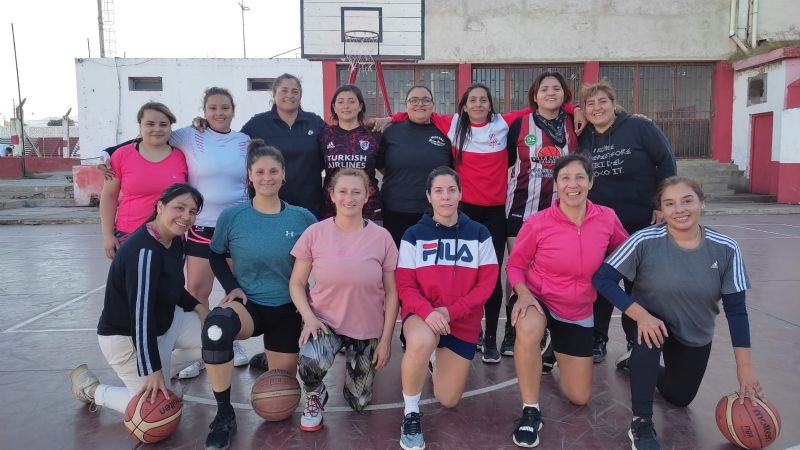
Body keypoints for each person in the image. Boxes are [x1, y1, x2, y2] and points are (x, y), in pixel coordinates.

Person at [386, 83, 584, 363]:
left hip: (494, 213)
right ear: (464, 106)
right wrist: (391, 118)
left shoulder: (503, 124)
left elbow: (540, 106)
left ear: (491, 105)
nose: (478, 104)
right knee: (456, 274)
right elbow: (419, 109)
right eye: (472, 100)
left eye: (483, 100)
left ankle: (491, 336)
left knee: (489, 276)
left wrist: (572, 107)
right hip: (462, 212)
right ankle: (462, 330)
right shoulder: (453, 124)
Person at [592, 176, 763, 450]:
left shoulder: (726, 248)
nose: (679, 209)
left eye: (687, 201)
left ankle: (634, 363)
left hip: (694, 330)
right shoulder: (645, 240)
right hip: (647, 320)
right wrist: (640, 314)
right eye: (669, 203)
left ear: (702, 203)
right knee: (649, 337)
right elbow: (602, 278)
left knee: (680, 396)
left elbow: (737, 312)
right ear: (661, 209)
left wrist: (745, 370)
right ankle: (641, 422)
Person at [97, 89, 252, 377]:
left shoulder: (244, 142)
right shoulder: (189, 135)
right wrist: (106, 153)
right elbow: (152, 134)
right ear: (203, 110)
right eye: (212, 107)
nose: (219, 112)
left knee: (234, 288)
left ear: (233, 109)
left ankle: (228, 340)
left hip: (235, 227)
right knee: (196, 290)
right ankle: (201, 351)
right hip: (199, 226)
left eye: (225, 107)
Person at [506, 154, 628, 448]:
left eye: (579, 178)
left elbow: (627, 253)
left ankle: (551, 349)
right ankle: (530, 409)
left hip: (578, 308)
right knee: (528, 328)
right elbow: (514, 265)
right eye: (565, 178)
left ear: (591, 182)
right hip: (539, 297)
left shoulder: (607, 218)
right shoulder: (538, 222)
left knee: (579, 396)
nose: (572, 184)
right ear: (556, 184)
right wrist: (522, 293)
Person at [201, 140, 316, 450]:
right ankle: (224, 413)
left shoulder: (302, 218)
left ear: (284, 175)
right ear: (249, 176)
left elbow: (326, 254)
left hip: (287, 309)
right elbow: (215, 255)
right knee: (214, 331)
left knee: (279, 401)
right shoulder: (233, 216)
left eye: (274, 171)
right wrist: (231, 287)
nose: (267, 177)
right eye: (260, 171)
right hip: (249, 306)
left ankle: (270, 357)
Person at [70, 184, 209, 415]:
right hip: (127, 339)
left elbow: (173, 287)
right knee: (152, 411)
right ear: (160, 206)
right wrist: (153, 370)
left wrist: (200, 309)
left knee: (218, 337)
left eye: (192, 211)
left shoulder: (176, 240)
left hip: (165, 324)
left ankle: (163, 371)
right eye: (180, 208)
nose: (186, 216)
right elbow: (141, 317)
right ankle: (92, 389)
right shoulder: (144, 252)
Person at [396, 166, 499, 450]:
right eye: (438, 191)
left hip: (461, 320)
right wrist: (429, 312)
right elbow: (405, 286)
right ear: (429, 196)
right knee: (421, 341)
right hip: (423, 315)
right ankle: (411, 414)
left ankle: (434, 361)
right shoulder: (413, 235)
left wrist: (450, 312)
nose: (445, 197)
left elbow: (487, 285)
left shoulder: (480, 233)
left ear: (460, 193)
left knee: (448, 400)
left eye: (451, 190)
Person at [289, 168, 399, 431]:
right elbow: (296, 283)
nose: (349, 198)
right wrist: (309, 319)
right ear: (332, 195)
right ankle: (315, 394)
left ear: (367, 196)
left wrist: (385, 340)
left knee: (358, 402)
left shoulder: (382, 238)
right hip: (325, 322)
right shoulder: (315, 233)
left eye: (356, 192)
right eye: (343, 191)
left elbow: (393, 292)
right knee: (310, 362)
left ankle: (356, 379)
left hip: (366, 326)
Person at [578, 80, 676, 367]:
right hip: (600, 226)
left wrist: (661, 204)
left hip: (640, 221)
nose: (597, 108)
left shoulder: (639, 127)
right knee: (602, 282)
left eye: (602, 101)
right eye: (590, 104)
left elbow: (666, 161)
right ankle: (598, 339)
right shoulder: (584, 138)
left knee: (638, 284)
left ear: (613, 102)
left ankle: (637, 341)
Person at [503, 72, 580, 362]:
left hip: (561, 214)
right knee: (517, 272)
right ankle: (513, 329)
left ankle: (550, 329)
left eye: (556, 88)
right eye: (544, 89)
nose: (550, 92)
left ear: (565, 94)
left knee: (554, 271)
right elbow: (504, 165)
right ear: (534, 96)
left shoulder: (575, 124)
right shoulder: (519, 126)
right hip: (522, 210)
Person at [99, 102, 188, 259]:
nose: (157, 129)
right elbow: (109, 196)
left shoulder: (181, 157)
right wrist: (107, 235)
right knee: (133, 283)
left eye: (163, 124)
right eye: (150, 124)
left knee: (170, 283)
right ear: (140, 126)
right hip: (129, 235)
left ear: (170, 127)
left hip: (171, 236)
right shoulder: (121, 155)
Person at [239, 73, 327, 217]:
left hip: (310, 206)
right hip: (270, 208)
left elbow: (339, 141)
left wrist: (370, 124)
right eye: (284, 90)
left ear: (300, 95)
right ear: (274, 94)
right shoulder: (258, 124)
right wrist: (207, 126)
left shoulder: (315, 122)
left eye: (295, 91)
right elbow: (233, 143)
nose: (289, 95)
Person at [377, 85, 453, 247]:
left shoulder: (445, 133)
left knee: (430, 265)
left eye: (425, 100)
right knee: (397, 264)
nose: (420, 104)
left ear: (433, 105)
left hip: (434, 212)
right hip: (395, 210)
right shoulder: (391, 132)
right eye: (414, 100)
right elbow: (380, 163)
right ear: (406, 106)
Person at [319, 85, 383, 221]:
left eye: (351, 101)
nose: (346, 106)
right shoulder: (325, 135)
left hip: (368, 209)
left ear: (360, 106)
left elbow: (386, 169)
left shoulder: (373, 135)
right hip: (333, 208)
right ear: (334, 107)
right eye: (340, 102)